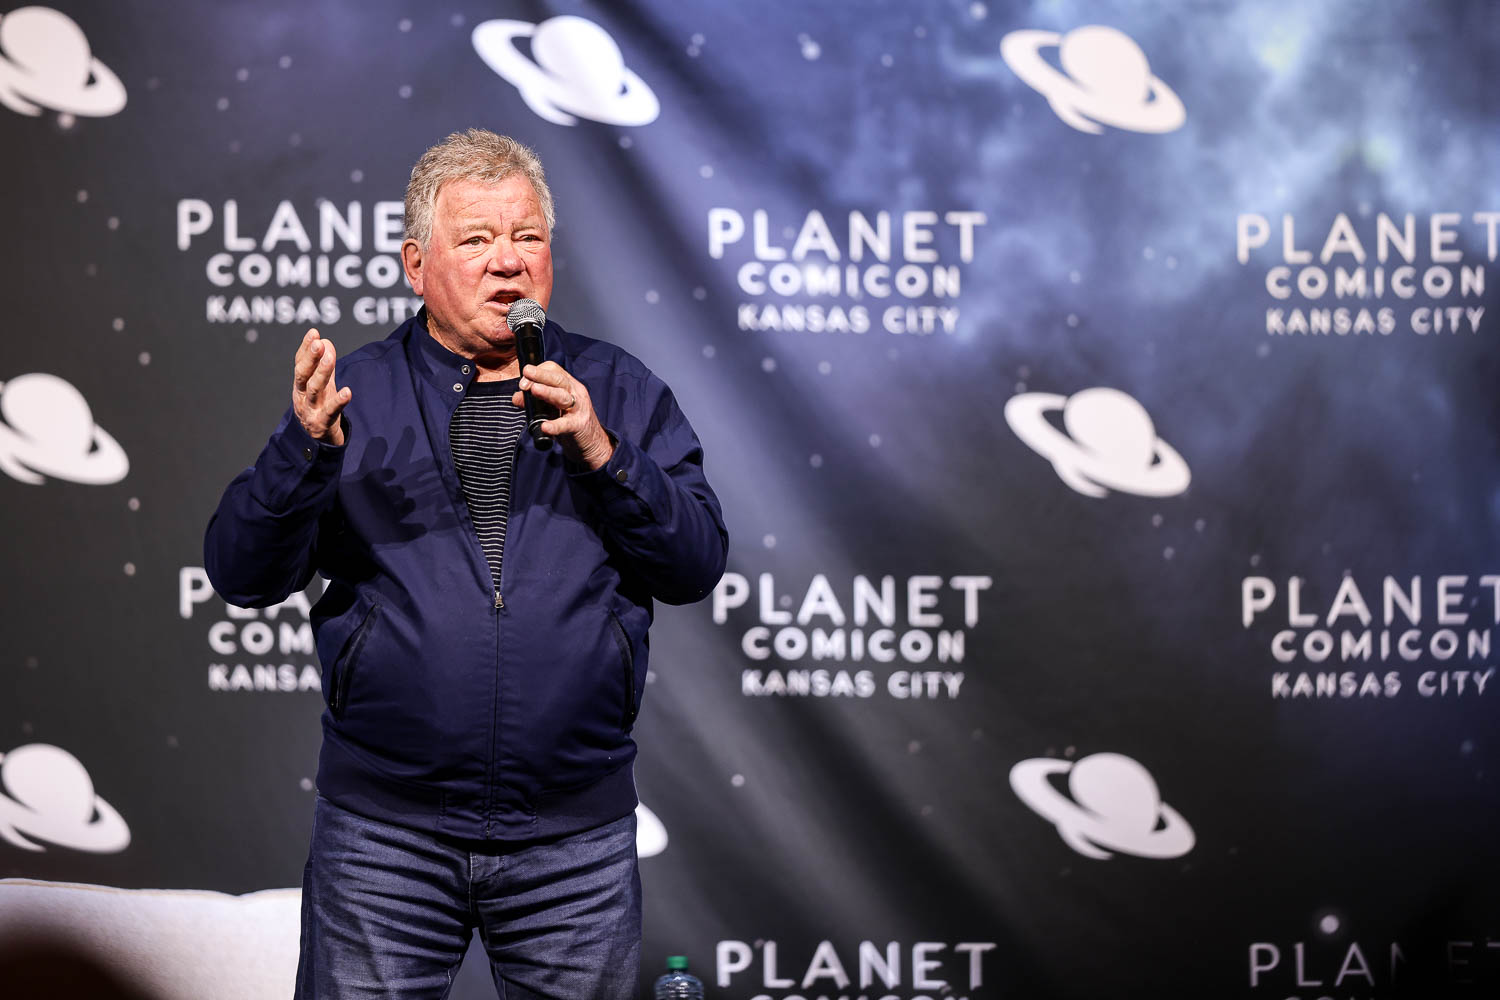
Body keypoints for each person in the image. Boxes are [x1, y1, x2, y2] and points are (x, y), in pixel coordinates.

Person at [204, 129, 727, 1000]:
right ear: (416, 266)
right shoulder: (356, 396)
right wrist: (305, 452)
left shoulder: (620, 390)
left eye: (527, 237)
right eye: (476, 239)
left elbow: (695, 564)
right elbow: (242, 574)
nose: (508, 262)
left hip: (574, 842)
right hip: (385, 838)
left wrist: (604, 453)